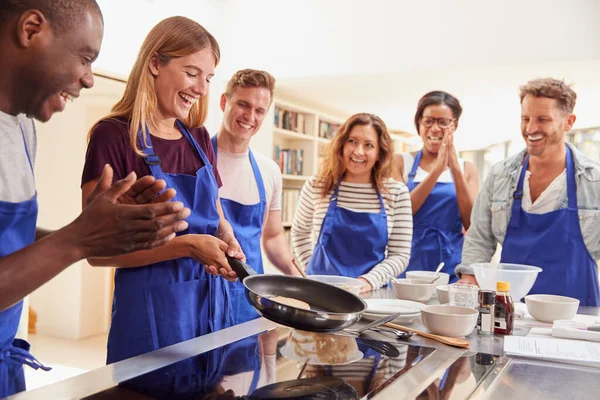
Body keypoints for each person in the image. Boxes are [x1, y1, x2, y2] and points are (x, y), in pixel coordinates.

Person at [0, 1, 188, 397]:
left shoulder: (20, 126)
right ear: (31, 29)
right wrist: (78, 240)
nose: (88, 80)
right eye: (85, 59)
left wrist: (98, 230)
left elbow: (9, 235)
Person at [81, 16, 244, 366]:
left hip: (215, 309)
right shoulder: (113, 137)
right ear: (155, 63)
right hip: (152, 320)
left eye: (208, 78)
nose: (201, 88)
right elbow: (96, 251)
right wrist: (186, 246)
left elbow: (216, 217)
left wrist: (226, 236)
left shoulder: (199, 139)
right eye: (191, 73)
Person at [456, 78, 600, 307]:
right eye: (525, 119)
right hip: (512, 310)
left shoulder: (593, 180)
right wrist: (469, 277)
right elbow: (479, 237)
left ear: (568, 122)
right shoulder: (500, 175)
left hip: (576, 314)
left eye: (543, 119)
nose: (531, 129)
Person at [212, 69, 300, 325]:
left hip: (248, 297)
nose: (250, 116)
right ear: (224, 102)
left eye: (259, 110)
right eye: (243, 104)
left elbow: (272, 236)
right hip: (200, 294)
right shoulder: (195, 161)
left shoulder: (269, 170)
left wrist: (299, 280)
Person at [292, 113, 413, 291]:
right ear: (341, 144)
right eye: (352, 141)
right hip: (320, 292)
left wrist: (368, 281)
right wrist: (312, 274)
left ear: (380, 152)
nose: (358, 151)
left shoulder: (396, 193)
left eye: (369, 145)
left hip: (369, 295)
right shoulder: (317, 186)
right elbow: (300, 232)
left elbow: (400, 254)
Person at [394, 91, 479, 281]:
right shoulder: (400, 162)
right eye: (428, 121)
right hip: (407, 259)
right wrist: (437, 171)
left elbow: (472, 224)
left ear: (454, 125)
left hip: (451, 261)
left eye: (443, 122)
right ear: (419, 123)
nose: (435, 128)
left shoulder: (468, 169)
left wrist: (455, 168)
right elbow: (401, 214)